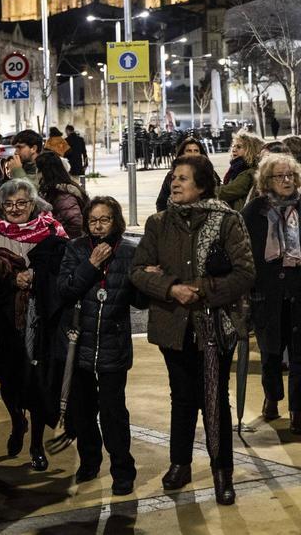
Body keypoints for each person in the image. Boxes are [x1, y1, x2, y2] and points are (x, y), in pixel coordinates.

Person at [131, 154, 255, 505]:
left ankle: (222, 472)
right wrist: (170, 288)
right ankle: (180, 463)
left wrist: (198, 289)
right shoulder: (158, 223)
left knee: (216, 399)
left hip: (214, 325)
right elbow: (138, 270)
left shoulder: (227, 221)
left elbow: (244, 274)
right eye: (174, 177)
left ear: (201, 185)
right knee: (181, 396)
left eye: (183, 178)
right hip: (173, 324)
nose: (175, 183)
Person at [0, 178, 69, 472]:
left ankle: (37, 444)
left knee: (38, 381)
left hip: (42, 317)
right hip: (5, 317)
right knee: (10, 382)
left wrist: (37, 276)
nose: (15, 209)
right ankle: (17, 422)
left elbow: (64, 264)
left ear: (33, 203)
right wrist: (12, 278)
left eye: (22, 203)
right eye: (9, 204)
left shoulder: (52, 227)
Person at [57, 196, 139, 495]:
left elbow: (140, 302)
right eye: (93, 220)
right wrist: (91, 266)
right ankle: (89, 462)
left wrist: (146, 278)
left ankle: (122, 471)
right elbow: (65, 290)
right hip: (79, 344)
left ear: (116, 221)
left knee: (114, 412)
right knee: (83, 410)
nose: (99, 226)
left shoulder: (130, 251)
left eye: (105, 219)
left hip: (113, 344)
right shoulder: (76, 249)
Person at [242, 152, 301, 431]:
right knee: (271, 351)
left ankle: (298, 410)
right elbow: (242, 254)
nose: (287, 180)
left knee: (299, 352)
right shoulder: (254, 211)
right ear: (267, 180)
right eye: (280, 176)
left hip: (298, 290)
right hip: (266, 293)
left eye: (290, 175)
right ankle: (272, 396)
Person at [35, 150, 88, 238]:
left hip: (66, 245)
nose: (36, 173)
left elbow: (76, 224)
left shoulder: (63, 195)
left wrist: (61, 240)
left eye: (37, 169)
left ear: (44, 172)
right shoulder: (51, 190)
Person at [155, 137, 213, 212]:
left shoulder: (209, 174)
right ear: (182, 153)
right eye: (189, 151)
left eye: (196, 151)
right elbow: (161, 202)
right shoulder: (171, 175)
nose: (193, 154)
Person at [219, 129, 265, 213]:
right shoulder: (236, 168)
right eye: (233, 146)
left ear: (251, 150)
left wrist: (205, 190)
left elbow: (228, 191)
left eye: (239, 147)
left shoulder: (249, 172)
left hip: (240, 215)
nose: (234, 149)